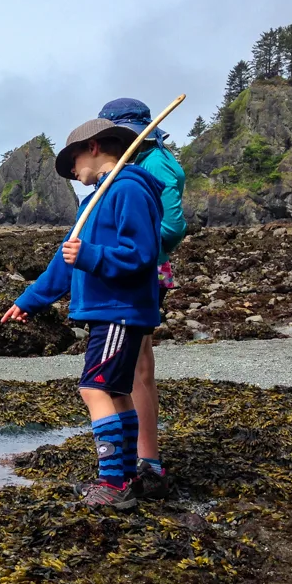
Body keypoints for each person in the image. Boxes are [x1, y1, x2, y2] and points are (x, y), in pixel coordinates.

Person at [1, 118, 164, 510]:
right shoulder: (94, 200)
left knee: (93, 389)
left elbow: (143, 255)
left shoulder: (128, 189)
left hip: (119, 312)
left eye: (71, 160)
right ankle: (125, 478)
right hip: (108, 313)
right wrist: (29, 300)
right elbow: (64, 262)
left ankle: (111, 484)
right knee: (115, 392)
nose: (72, 172)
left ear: (92, 147)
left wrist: (91, 255)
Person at [97, 98, 187, 500]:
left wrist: (129, 249)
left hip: (142, 272)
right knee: (138, 365)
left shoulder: (154, 165)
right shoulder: (142, 162)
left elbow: (171, 226)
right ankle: (144, 458)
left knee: (137, 368)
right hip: (143, 270)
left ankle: (146, 461)